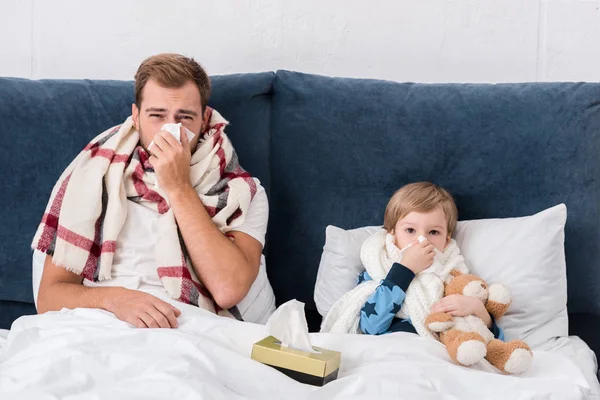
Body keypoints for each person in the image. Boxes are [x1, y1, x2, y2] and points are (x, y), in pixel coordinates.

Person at [33, 53, 273, 329]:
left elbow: (228, 290)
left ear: (205, 119)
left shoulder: (242, 192)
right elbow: (49, 297)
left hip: (188, 331)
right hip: (98, 325)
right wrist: (116, 300)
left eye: (185, 117)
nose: (170, 129)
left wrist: (179, 186)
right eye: (156, 115)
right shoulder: (92, 176)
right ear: (136, 116)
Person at [357, 181, 504, 339]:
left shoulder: (454, 274)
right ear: (392, 234)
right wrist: (404, 269)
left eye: (433, 232)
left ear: (446, 241)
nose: (421, 240)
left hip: (441, 354)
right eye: (410, 230)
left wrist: (477, 309)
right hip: (395, 350)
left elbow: (494, 343)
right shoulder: (378, 269)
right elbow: (369, 327)